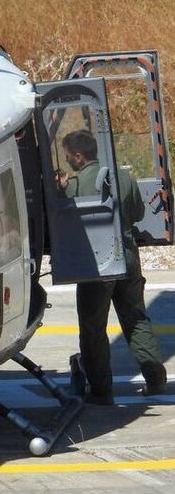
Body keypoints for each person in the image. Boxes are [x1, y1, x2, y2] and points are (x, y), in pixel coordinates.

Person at [61, 129, 168, 404]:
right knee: (136, 319)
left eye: (68, 156)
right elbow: (138, 213)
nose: (67, 161)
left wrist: (62, 188)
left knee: (93, 328)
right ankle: (156, 379)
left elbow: (64, 221)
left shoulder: (75, 186)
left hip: (97, 264)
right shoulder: (123, 176)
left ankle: (101, 390)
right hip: (128, 257)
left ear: (78, 156)